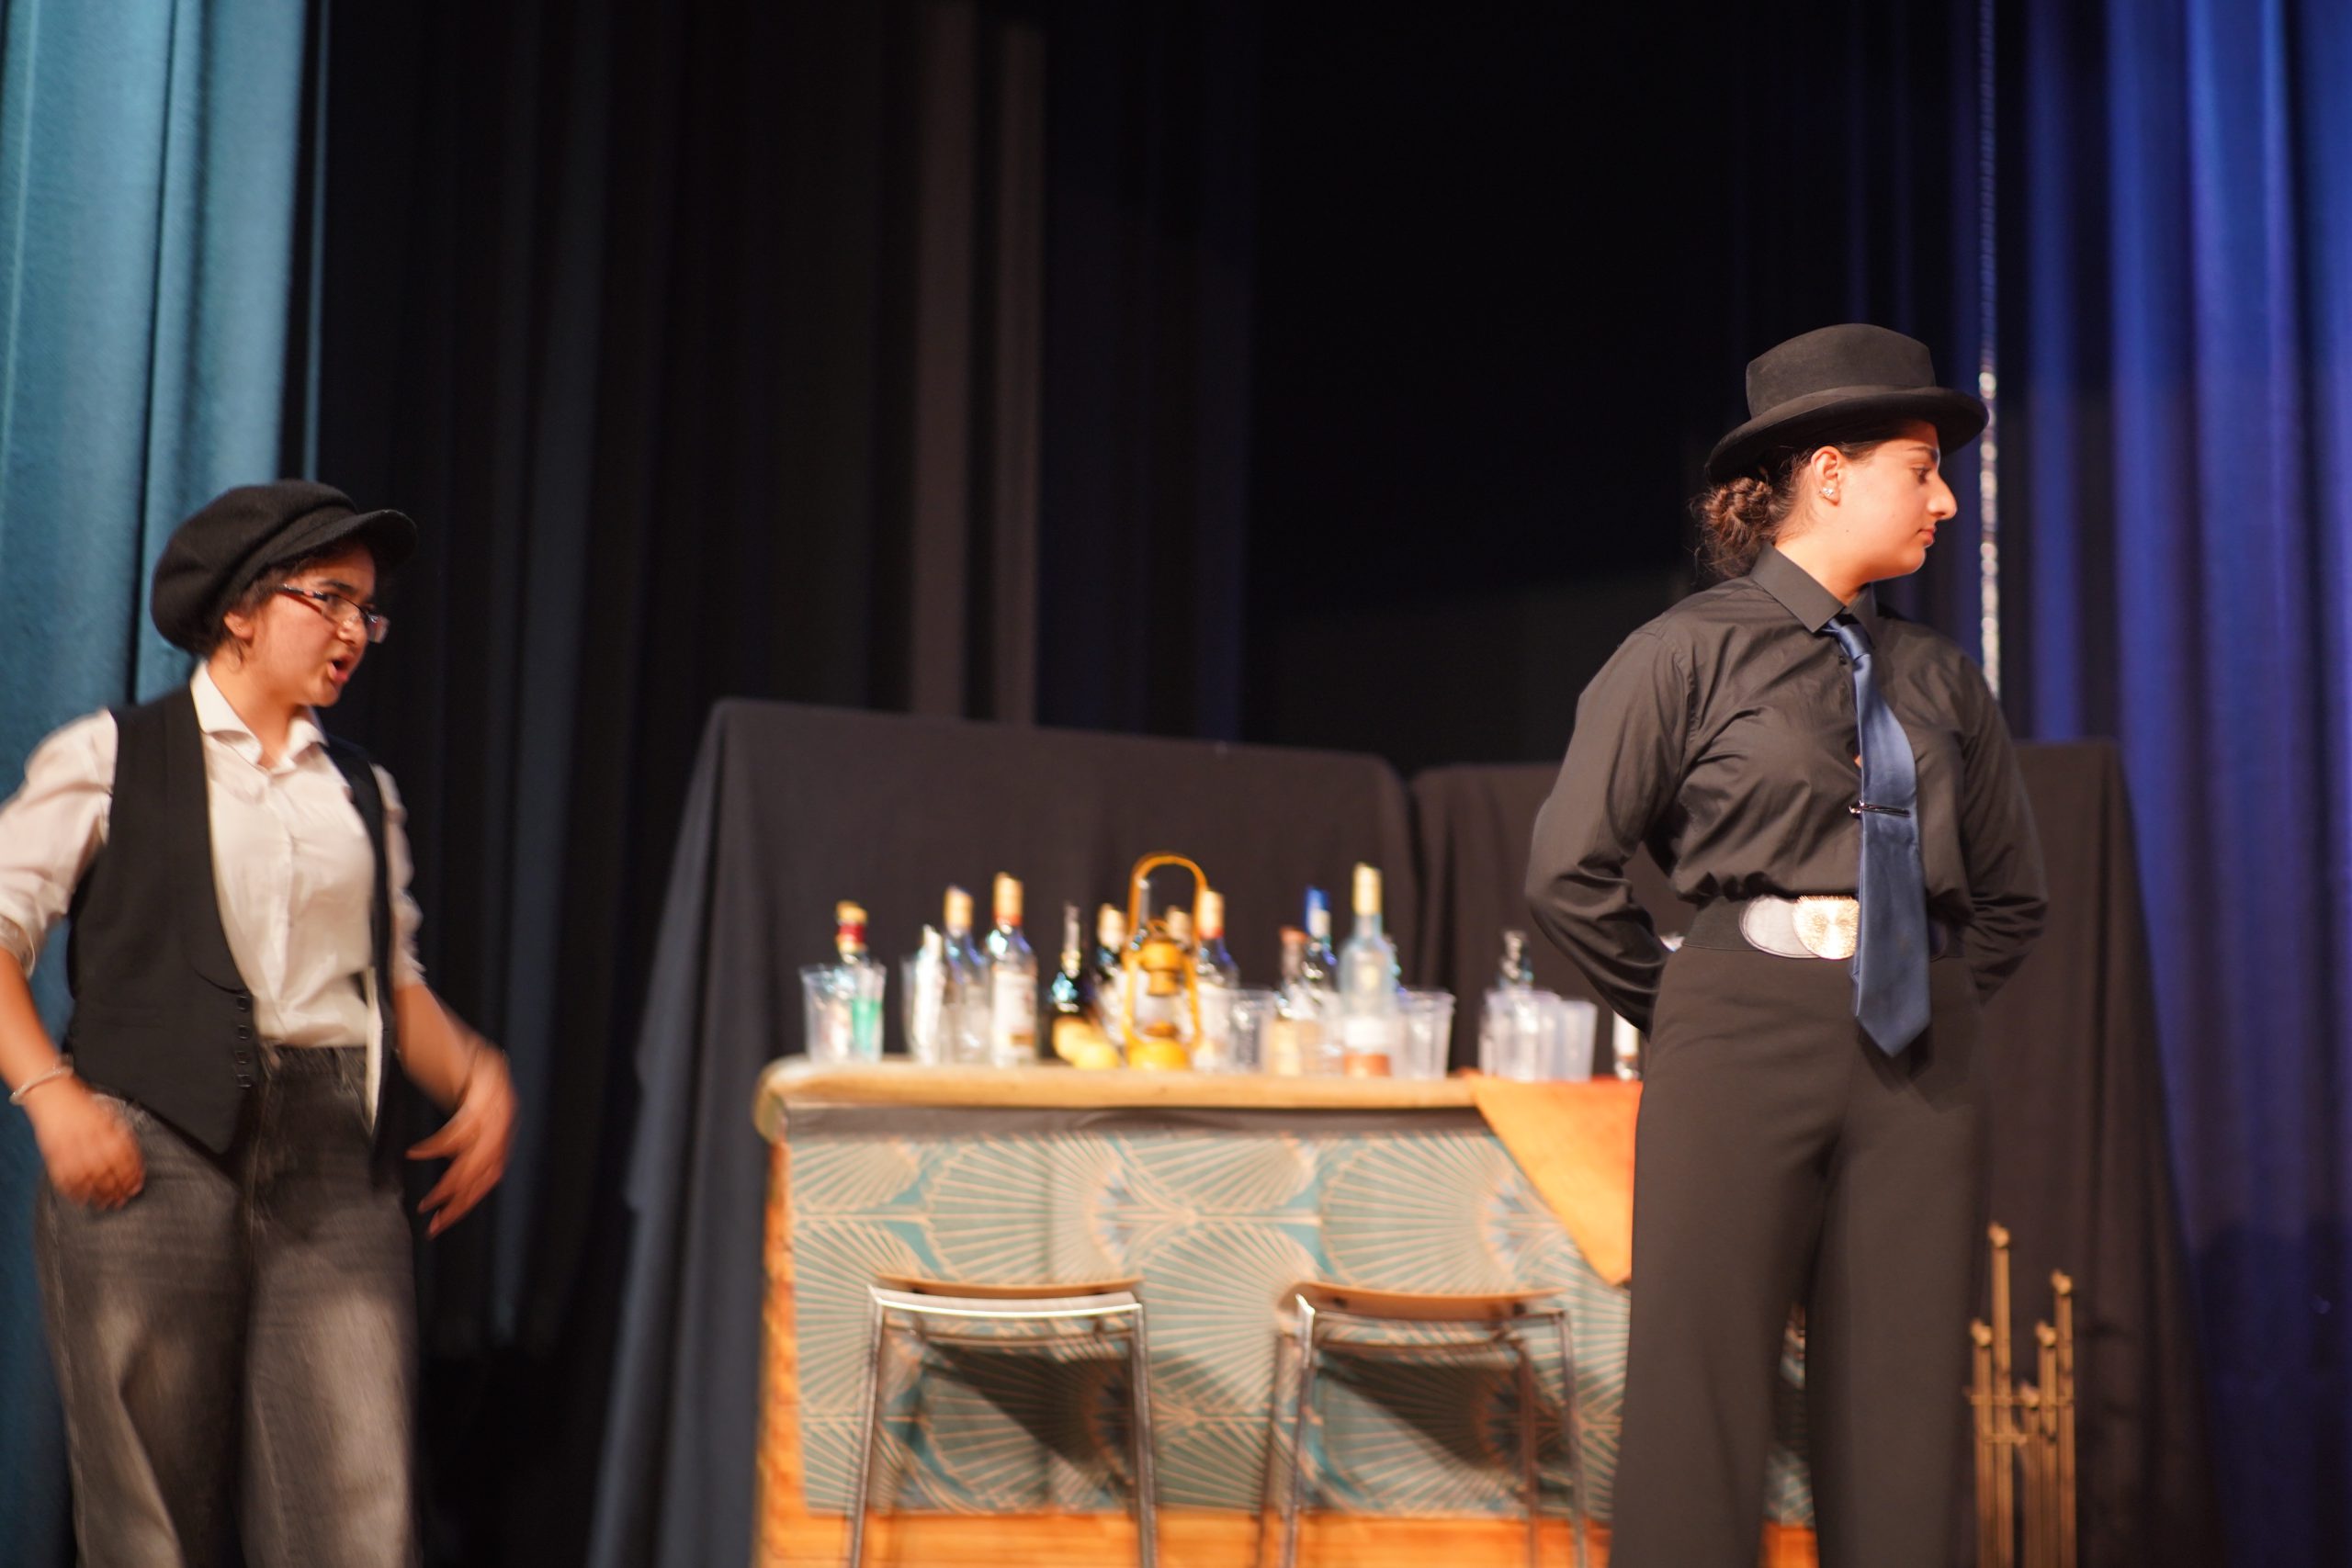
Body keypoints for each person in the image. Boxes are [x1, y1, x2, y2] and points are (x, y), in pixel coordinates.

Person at [1524, 324, 2047, 1566]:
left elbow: (2012, 898)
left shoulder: (1940, 678)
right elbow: (1568, 872)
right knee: (1699, 1397)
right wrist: (1692, 1005)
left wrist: (1922, 992)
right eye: (1919, 469)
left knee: (1905, 1410)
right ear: (1828, 474)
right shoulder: (1683, 654)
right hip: (1738, 1033)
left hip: (1915, 1055)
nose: (1945, 499)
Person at [0, 480, 517, 1568]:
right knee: (151, 1520)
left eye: (367, 611)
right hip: (152, 1152)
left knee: (357, 1513)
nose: (354, 632)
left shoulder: (360, 792)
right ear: (240, 608)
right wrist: (51, 1095)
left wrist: (476, 1074)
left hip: (331, 1168)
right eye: (330, 599)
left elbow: (388, 981)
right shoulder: (111, 756)